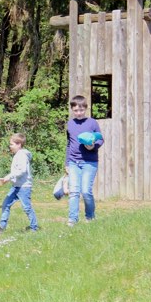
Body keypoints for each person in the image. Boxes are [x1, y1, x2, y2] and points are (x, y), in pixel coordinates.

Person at [64, 95, 104, 226]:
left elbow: (100, 139)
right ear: (72, 109)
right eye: (76, 110)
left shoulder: (92, 123)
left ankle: (90, 217)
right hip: (73, 162)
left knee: (86, 191)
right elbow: (69, 144)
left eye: (81, 110)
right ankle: (72, 219)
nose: (79, 113)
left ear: (86, 108)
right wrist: (67, 163)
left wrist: (93, 146)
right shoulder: (70, 124)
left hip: (89, 162)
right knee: (74, 192)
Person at [0, 133, 39, 233]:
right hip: (15, 186)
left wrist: (9, 176)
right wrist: (8, 179)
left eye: (12, 144)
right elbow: (16, 171)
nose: (10, 146)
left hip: (24, 187)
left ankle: (34, 228)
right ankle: (1, 228)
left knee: (27, 208)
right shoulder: (17, 155)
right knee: (6, 204)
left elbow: (22, 171)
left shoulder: (22, 156)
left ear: (19, 144)